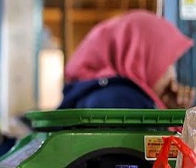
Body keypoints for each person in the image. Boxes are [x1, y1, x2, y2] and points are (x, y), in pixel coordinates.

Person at [59, 10, 195, 110]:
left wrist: (168, 108)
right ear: (138, 60)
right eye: (167, 65)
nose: (172, 76)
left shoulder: (97, 92)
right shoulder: (122, 100)